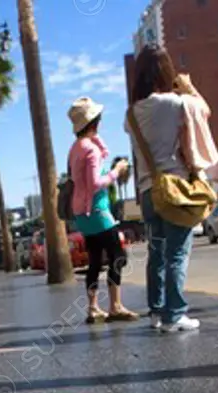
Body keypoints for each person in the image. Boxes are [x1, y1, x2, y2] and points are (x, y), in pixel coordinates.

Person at [125, 45, 200, 333]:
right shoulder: (177, 103)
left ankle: (156, 311)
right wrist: (188, 88)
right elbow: (195, 130)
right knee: (177, 253)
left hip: (147, 191)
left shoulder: (131, 114)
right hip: (175, 186)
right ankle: (175, 314)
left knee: (156, 253)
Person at [68, 98, 138, 325]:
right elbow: (95, 183)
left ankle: (93, 308)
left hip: (82, 214)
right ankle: (115, 306)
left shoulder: (76, 148)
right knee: (118, 256)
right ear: (95, 122)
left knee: (96, 260)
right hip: (97, 211)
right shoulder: (90, 150)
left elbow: (102, 154)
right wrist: (116, 172)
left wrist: (93, 137)